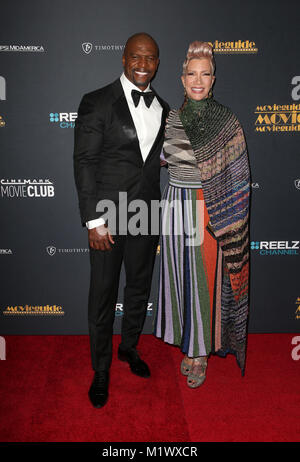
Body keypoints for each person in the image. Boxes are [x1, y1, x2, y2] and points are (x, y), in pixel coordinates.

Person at [73, 32, 169, 408]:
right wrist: (93, 221)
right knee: (102, 294)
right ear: (124, 58)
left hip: (147, 214)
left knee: (138, 288)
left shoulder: (163, 107)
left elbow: (155, 160)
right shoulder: (97, 101)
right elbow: (85, 163)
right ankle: (101, 369)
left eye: (150, 58)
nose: (143, 64)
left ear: (158, 63)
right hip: (108, 217)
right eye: (136, 57)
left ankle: (129, 348)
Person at [154, 41, 250, 388]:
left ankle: (199, 356)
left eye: (205, 74)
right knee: (181, 281)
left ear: (213, 79)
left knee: (204, 284)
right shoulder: (172, 119)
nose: (198, 81)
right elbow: (161, 160)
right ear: (182, 79)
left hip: (207, 209)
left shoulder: (226, 121)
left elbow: (239, 178)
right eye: (191, 74)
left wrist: (224, 219)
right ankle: (190, 343)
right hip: (174, 207)